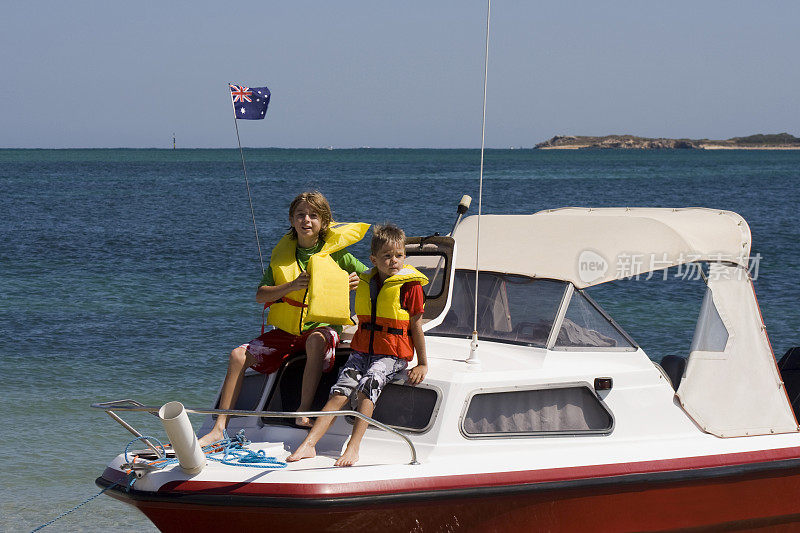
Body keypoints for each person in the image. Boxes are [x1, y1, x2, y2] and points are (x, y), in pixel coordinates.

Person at [198, 191, 368, 446]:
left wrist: (356, 280)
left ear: (324, 221)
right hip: (286, 333)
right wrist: (290, 286)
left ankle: (303, 411)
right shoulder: (283, 255)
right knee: (237, 355)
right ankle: (219, 427)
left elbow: (371, 277)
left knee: (315, 341)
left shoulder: (337, 254)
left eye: (313, 216)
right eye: (300, 215)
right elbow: (260, 295)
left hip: (319, 330)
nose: (306, 220)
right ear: (291, 219)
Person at [287, 223, 428, 466]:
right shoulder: (366, 280)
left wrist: (423, 363)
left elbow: (415, 325)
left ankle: (353, 447)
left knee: (368, 384)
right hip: (363, 349)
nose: (394, 261)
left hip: (393, 355)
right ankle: (309, 444)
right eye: (387, 256)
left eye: (399, 255)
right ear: (374, 259)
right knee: (341, 388)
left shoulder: (410, 286)